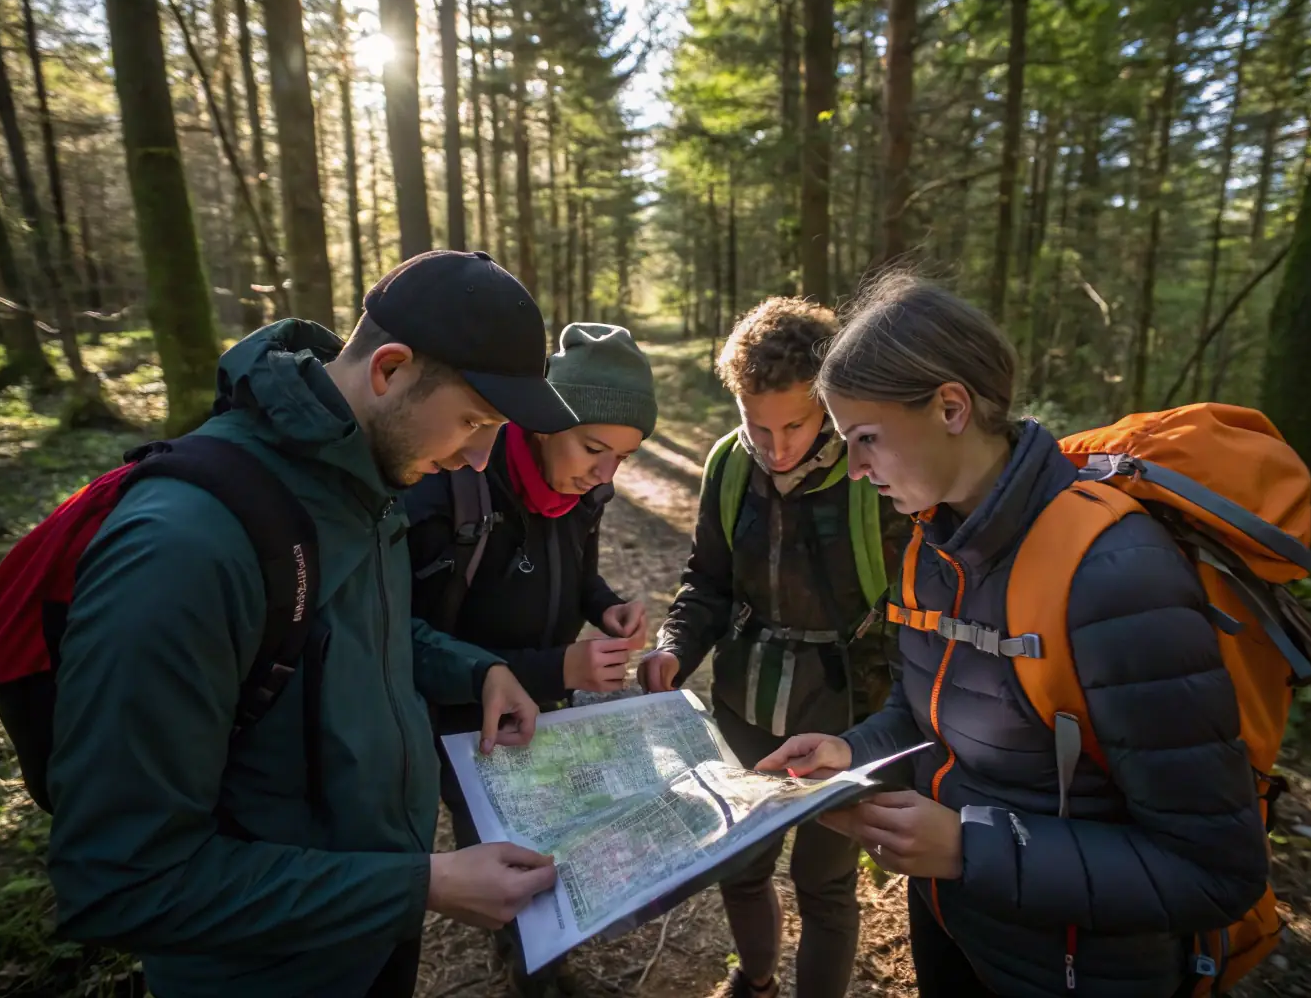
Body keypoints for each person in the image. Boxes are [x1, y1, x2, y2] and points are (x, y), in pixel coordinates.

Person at [46, 251, 570, 998]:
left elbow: (358, 633)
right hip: (261, 974)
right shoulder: (184, 549)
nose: (474, 460)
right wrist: (416, 886)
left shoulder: (362, 478)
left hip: (368, 936)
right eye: (472, 422)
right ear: (388, 369)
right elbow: (122, 879)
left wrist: (476, 668)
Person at [758, 273, 1269, 997]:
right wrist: (851, 749)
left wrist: (971, 849)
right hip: (955, 926)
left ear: (950, 406)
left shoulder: (1117, 576)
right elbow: (925, 711)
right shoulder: (931, 548)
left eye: (866, 439)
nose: (858, 468)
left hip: (1080, 968)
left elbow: (1215, 870)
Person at [635, 298, 909, 998]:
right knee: (743, 865)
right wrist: (674, 647)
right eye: (758, 425)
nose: (777, 448)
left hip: (844, 711)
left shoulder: (871, 478)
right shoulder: (730, 466)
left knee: (825, 884)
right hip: (744, 700)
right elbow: (707, 580)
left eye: (795, 424)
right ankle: (754, 980)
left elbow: (911, 613)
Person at [405, 322, 658, 994]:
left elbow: (577, 575)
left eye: (624, 458)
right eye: (593, 448)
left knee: (556, 833)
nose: (604, 474)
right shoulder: (456, 485)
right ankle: (530, 976)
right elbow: (411, 638)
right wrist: (561, 669)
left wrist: (605, 606)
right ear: (543, 424)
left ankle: (547, 957)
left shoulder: (583, 491)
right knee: (505, 851)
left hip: (547, 708)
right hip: (466, 724)